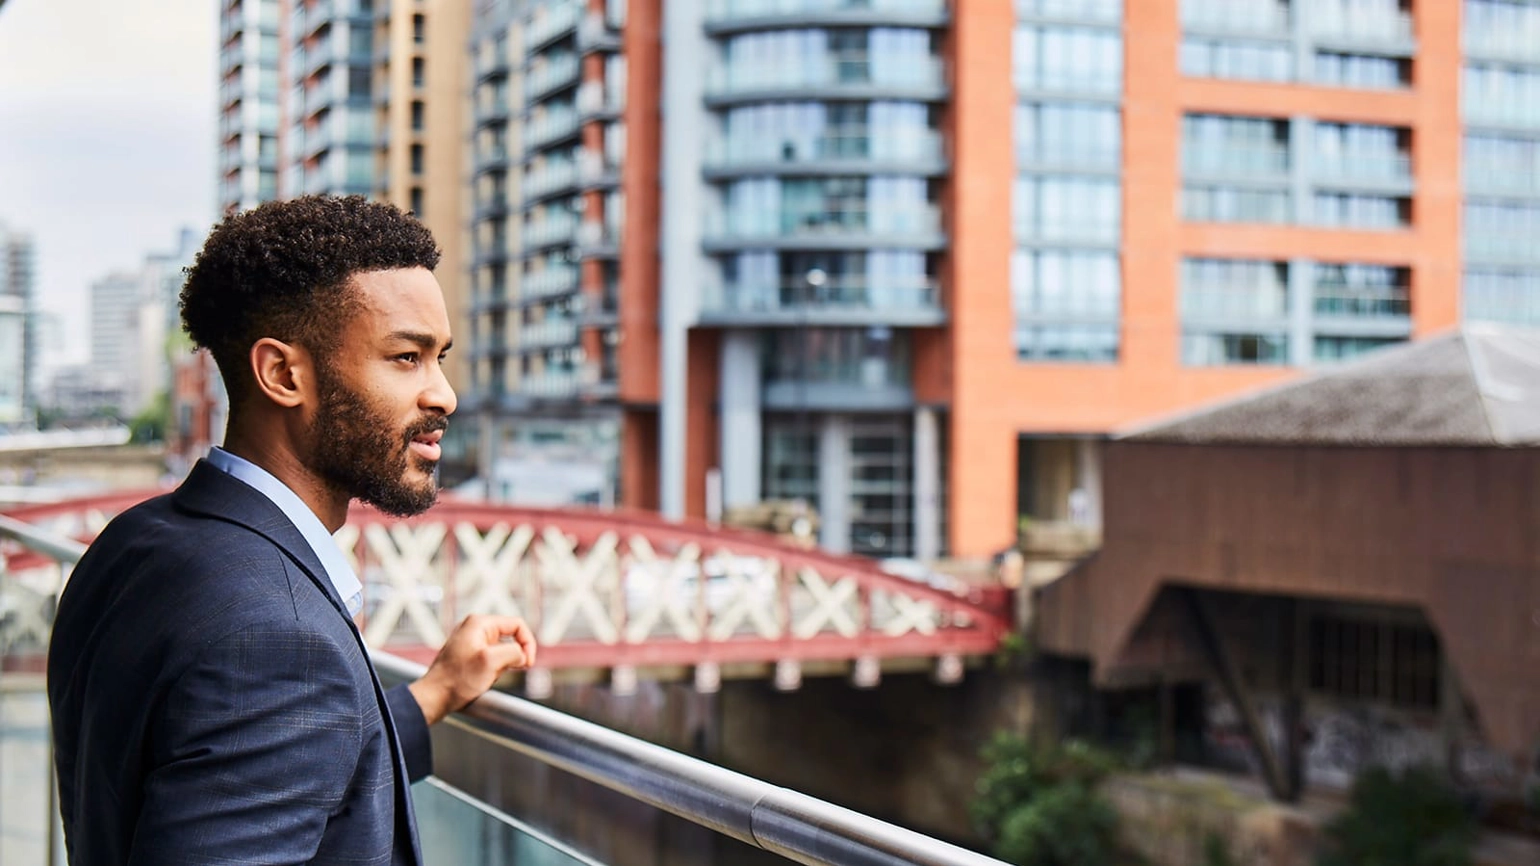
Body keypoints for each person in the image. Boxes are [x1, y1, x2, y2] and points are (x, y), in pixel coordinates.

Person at [46, 195, 536, 866]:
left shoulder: (133, 544)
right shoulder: (281, 641)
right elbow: (267, 702)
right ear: (282, 374)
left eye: (439, 357)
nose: (443, 394)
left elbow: (242, 751)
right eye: (406, 358)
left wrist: (434, 695)